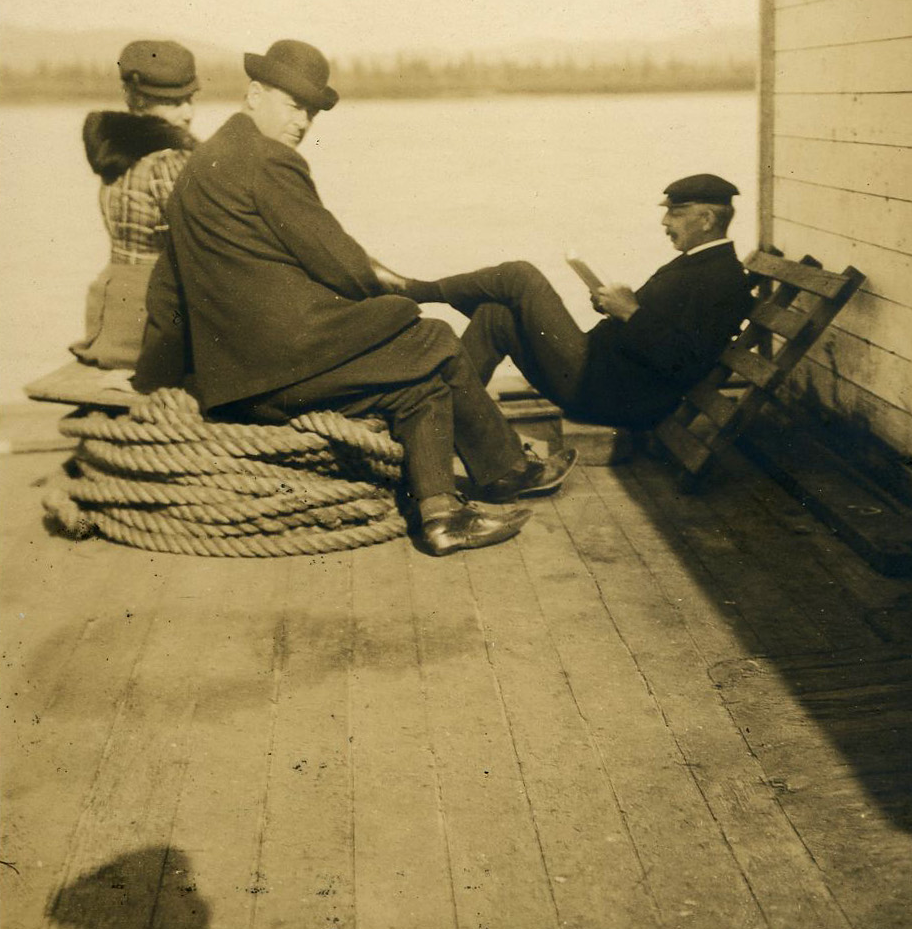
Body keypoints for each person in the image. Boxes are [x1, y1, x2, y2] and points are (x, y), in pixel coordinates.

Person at [133, 38, 575, 556]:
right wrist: (397, 292)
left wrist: (154, 380)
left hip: (237, 382)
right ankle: (505, 471)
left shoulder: (199, 166)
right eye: (293, 105)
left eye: (312, 113)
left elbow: (167, 291)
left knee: (418, 383)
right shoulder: (267, 161)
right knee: (429, 335)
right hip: (284, 364)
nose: (302, 122)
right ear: (255, 94)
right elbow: (341, 263)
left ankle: (444, 514)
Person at [377, 175, 754, 431]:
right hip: (601, 374)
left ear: (706, 219)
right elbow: (661, 328)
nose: (665, 222)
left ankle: (416, 290)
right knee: (495, 315)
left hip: (612, 393)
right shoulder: (697, 264)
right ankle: (438, 420)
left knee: (519, 276)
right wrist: (613, 305)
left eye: (676, 212)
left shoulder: (723, 279)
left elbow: (684, 362)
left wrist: (630, 312)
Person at [72, 39, 200, 370]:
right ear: (141, 101)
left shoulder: (116, 157)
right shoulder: (167, 161)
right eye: (174, 104)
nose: (188, 114)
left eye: (189, 99)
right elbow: (201, 247)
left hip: (108, 317)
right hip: (150, 327)